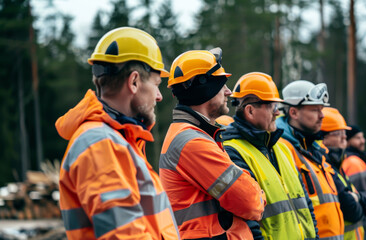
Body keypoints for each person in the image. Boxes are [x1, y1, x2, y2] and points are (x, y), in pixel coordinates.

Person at [55, 27, 180, 239]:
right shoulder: (100, 143)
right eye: (156, 85)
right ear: (133, 82)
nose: (159, 96)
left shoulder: (118, 140)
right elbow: (124, 234)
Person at [159, 49, 266, 239]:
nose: (229, 92)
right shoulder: (192, 142)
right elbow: (250, 202)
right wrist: (258, 193)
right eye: (222, 85)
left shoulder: (198, 135)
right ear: (204, 89)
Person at [222, 72, 318, 240]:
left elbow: (306, 205)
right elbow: (247, 222)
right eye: (272, 107)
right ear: (250, 110)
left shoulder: (282, 149)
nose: (277, 113)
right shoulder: (232, 152)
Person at [276, 80, 344, 240]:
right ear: (293, 112)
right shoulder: (284, 149)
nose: (322, 115)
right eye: (315, 110)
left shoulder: (315, 150)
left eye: (322, 109)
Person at [320, 107, 366, 240]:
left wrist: (358, 198)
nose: (343, 137)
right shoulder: (341, 164)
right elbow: (350, 208)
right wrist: (360, 200)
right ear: (323, 136)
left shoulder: (339, 164)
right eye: (338, 133)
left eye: (344, 134)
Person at [343, 125, 366, 240]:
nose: (363, 141)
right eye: (358, 138)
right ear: (348, 141)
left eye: (363, 137)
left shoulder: (353, 160)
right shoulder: (354, 163)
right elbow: (359, 197)